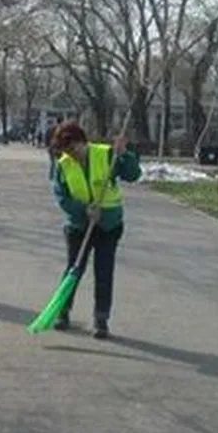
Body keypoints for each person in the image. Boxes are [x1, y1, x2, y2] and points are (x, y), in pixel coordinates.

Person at [49, 121, 142, 338]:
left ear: (83, 142)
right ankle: (62, 311)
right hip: (79, 225)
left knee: (104, 271)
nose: (72, 156)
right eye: (66, 152)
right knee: (74, 269)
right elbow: (62, 197)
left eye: (74, 150)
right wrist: (83, 210)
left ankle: (101, 319)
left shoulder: (107, 155)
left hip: (109, 225)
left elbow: (133, 175)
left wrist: (124, 155)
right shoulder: (63, 165)